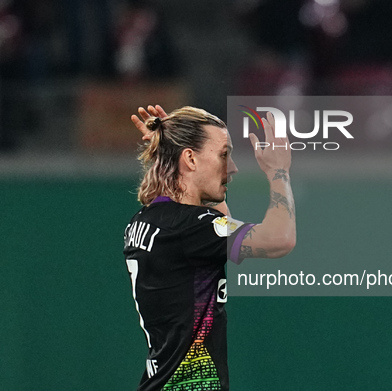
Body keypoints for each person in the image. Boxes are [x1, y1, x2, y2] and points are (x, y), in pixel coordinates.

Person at [124, 105, 296, 390]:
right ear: (190, 159)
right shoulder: (190, 228)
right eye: (223, 155)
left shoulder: (147, 220)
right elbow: (280, 239)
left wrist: (169, 145)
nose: (233, 167)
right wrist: (279, 171)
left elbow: (219, 223)